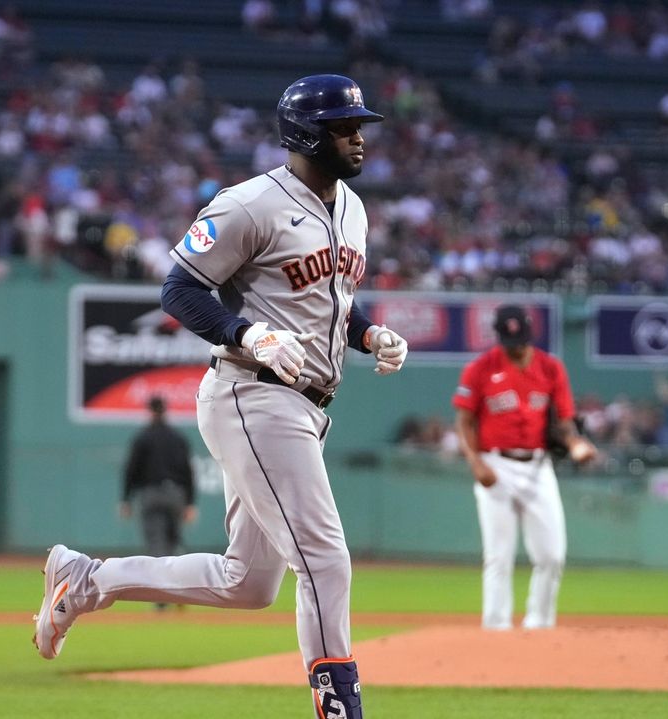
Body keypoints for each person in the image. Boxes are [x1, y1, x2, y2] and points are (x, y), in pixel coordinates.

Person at [33, 74, 406, 719]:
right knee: (325, 560)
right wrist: (247, 333)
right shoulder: (250, 205)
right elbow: (178, 291)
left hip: (308, 405)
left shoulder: (353, 209)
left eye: (359, 125)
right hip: (253, 394)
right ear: (307, 134)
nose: (358, 137)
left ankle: (89, 579)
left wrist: (368, 331)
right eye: (346, 126)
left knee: (250, 583)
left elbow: (327, 302)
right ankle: (340, 711)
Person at [452, 305, 595, 631]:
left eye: (520, 338)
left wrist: (575, 444)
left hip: (537, 467)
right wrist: (475, 462)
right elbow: (463, 422)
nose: (516, 345)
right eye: (510, 339)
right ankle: (496, 629)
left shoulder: (550, 368)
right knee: (498, 557)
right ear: (500, 336)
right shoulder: (480, 368)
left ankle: (539, 627)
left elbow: (564, 421)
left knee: (552, 555)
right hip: (495, 464)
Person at [118, 395, 197, 610]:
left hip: (151, 494)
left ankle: (162, 597)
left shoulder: (143, 437)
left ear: (150, 411)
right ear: (165, 410)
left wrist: (126, 499)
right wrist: (190, 502)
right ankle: (183, 592)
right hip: (176, 494)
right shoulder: (177, 437)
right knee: (175, 543)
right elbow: (189, 471)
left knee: (157, 544)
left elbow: (131, 470)